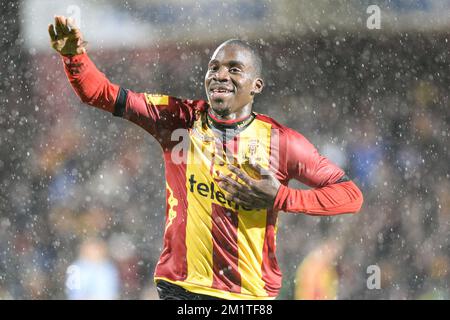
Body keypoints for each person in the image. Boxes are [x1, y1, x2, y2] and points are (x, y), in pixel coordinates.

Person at [48, 15, 363, 300]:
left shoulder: (281, 142)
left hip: (248, 297)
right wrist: (73, 57)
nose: (220, 75)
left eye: (234, 69)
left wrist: (282, 196)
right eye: (214, 68)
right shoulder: (177, 119)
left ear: (257, 86)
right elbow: (99, 93)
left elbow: (350, 196)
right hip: (181, 288)